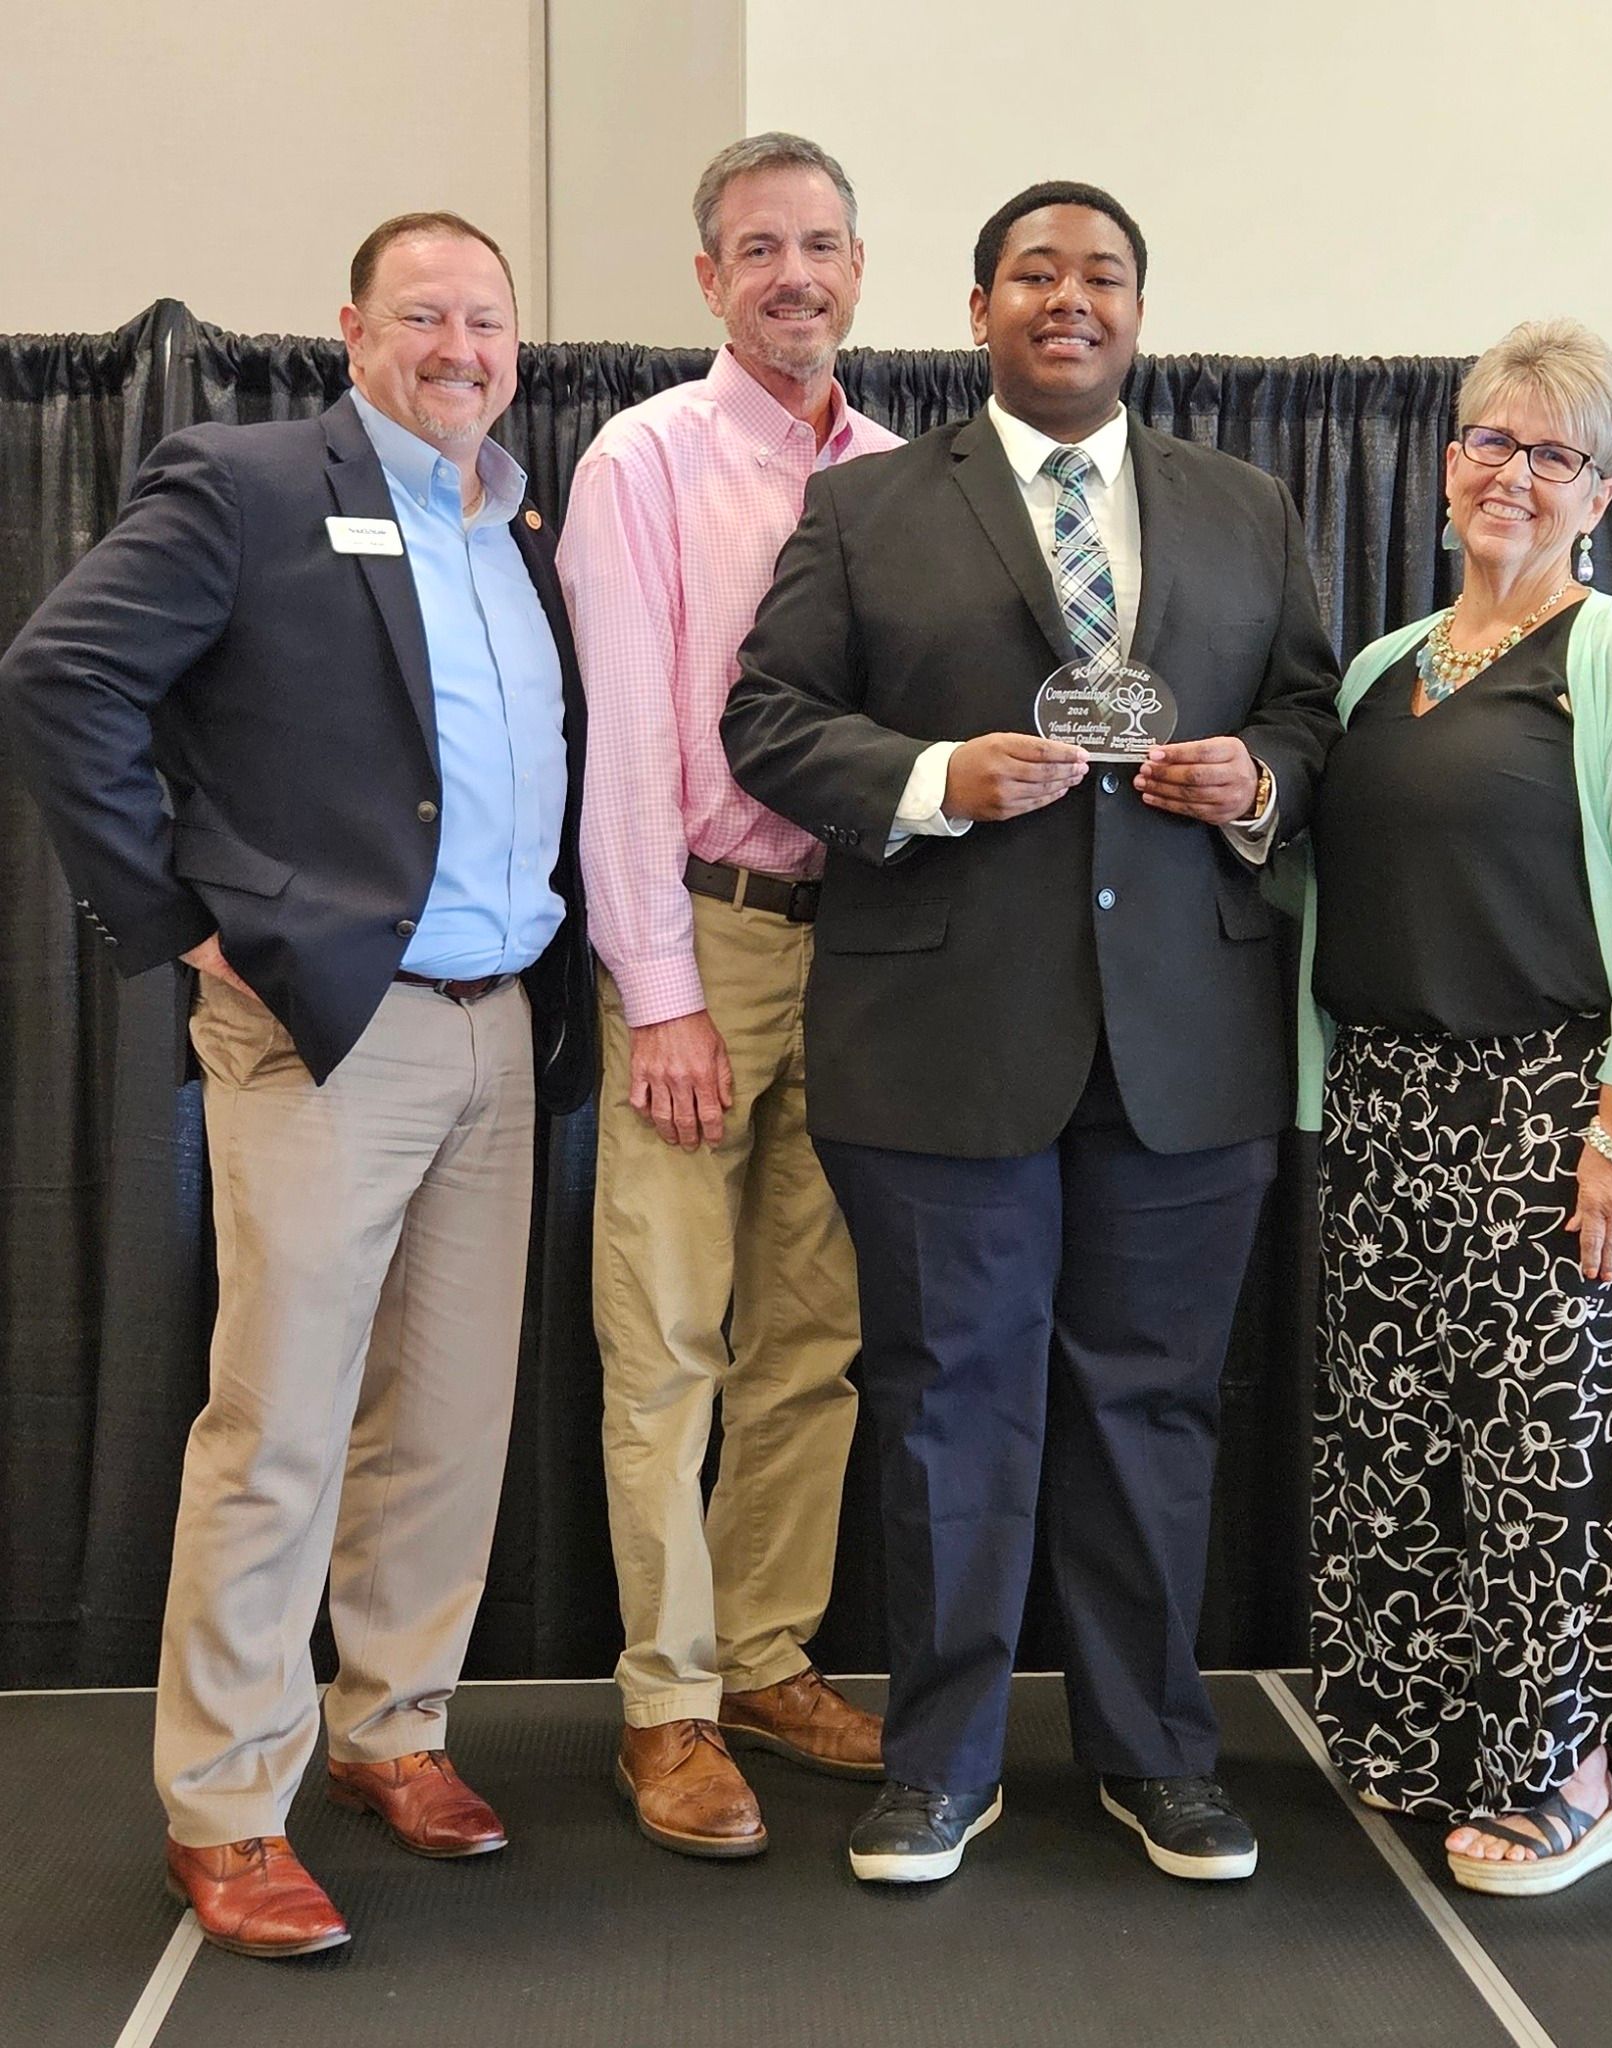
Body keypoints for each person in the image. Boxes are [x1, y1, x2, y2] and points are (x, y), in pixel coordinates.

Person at [721, 181, 1341, 1883]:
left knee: (1153, 1407)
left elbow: (1309, 710)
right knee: (947, 1404)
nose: (1070, 300)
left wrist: (1262, 779)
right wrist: (930, 779)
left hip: (1186, 1042)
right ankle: (945, 1761)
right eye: (1035, 276)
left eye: (1104, 276)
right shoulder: (863, 510)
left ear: (1139, 308)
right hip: (937, 1034)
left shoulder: (1246, 506)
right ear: (978, 305)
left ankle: (1157, 1753)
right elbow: (764, 720)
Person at [0, 212, 594, 1955]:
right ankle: (229, 1801)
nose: (460, 345)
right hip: (330, 1019)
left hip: (503, 1015)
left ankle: (391, 1729)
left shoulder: (517, 517)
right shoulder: (249, 482)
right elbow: (61, 675)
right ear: (353, 330)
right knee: (278, 1426)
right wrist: (182, 921)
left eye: (487, 319)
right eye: (424, 314)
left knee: (451, 1415)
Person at [1298, 318, 1612, 1896]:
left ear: (1602, 496)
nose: (1511, 471)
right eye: (1487, 441)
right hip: (1387, 1111)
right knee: (1406, 1443)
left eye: (1552, 452)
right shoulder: (1379, 670)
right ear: (1444, 468)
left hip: (1557, 1113)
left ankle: (1570, 1769)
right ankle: (1436, 1731)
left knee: (1547, 1457)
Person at [557, 133, 898, 1860]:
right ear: (707, 280)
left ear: (860, 267)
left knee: (813, 1342)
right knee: (668, 1343)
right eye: (756, 248)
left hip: (875, 960)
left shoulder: (910, 474)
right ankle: (669, 1706)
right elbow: (623, 752)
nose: (792, 275)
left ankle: (768, 1658)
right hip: (703, 942)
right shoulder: (645, 460)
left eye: (819, 244)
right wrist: (664, 992)